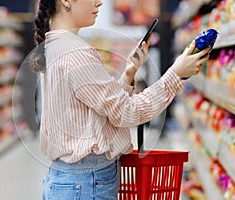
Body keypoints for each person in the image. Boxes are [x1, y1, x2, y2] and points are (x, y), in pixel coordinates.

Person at [33, 0, 210, 199]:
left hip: (69, 179)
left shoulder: (54, 47)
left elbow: (95, 110)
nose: (99, 3)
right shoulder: (76, 54)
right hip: (86, 184)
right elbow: (127, 112)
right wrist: (176, 75)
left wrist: (128, 74)